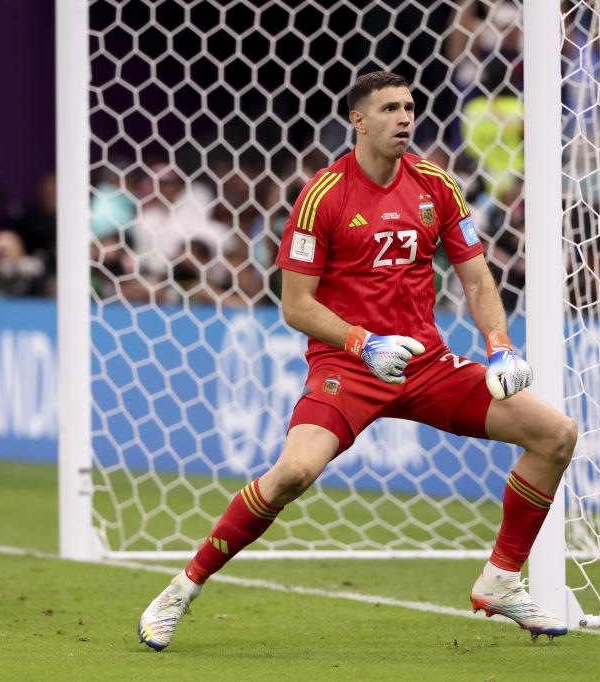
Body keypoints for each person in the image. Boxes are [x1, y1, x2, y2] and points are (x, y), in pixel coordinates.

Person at [137, 71, 577, 650]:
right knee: (292, 474)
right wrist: (363, 343)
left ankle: (499, 578)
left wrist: (499, 345)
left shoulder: (436, 185)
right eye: (390, 108)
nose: (404, 118)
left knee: (555, 434)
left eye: (410, 107)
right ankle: (182, 587)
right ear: (358, 120)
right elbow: (295, 305)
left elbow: (476, 279)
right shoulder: (323, 195)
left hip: (427, 365)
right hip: (348, 368)